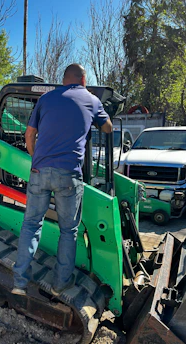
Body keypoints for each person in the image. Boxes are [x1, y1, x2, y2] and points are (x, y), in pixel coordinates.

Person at [12, 63, 113, 296]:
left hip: (39, 171)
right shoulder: (91, 100)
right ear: (83, 80)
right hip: (69, 175)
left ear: (63, 79)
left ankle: (19, 282)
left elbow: (29, 134)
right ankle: (60, 284)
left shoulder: (46, 99)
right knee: (68, 231)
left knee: (31, 224)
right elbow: (107, 128)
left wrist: (35, 157)